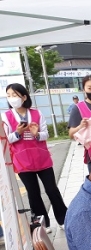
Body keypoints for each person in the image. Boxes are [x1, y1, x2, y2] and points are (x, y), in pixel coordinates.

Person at [1, 83, 68, 232]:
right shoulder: (6, 117)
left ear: (24, 97)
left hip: (41, 158)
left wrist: (36, 133)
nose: (12, 98)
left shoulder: (37, 114)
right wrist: (18, 132)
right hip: (22, 161)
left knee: (52, 189)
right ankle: (42, 222)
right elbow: (6, 139)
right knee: (33, 193)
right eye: (9, 95)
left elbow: (46, 135)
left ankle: (63, 218)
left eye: (15, 95)